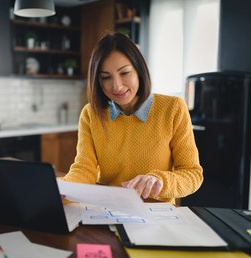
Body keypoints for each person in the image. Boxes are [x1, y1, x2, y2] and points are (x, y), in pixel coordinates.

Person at [59, 32, 203, 204]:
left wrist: (160, 181)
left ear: (139, 70)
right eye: (106, 77)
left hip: (156, 216)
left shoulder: (173, 108)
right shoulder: (91, 114)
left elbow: (192, 174)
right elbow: (84, 170)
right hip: (108, 210)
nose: (117, 86)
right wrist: (60, 188)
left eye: (125, 73)